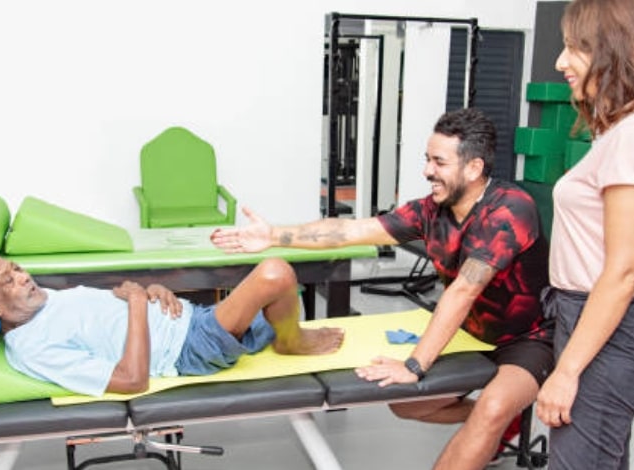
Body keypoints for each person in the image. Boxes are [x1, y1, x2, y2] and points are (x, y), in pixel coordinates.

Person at [211, 108, 553, 469]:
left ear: (473, 168)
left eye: (439, 162)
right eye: (427, 159)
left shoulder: (509, 210)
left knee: (492, 406)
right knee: (408, 403)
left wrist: (416, 365)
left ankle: (497, 416)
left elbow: (462, 291)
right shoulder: (429, 211)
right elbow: (349, 231)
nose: (427, 171)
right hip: (469, 332)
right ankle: (502, 421)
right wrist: (274, 236)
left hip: (527, 338)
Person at [536, 0, 634, 468]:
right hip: (594, 317)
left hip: (613, 325)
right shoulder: (633, 127)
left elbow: (625, 270)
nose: (560, 62)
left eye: (572, 48)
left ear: (611, 49)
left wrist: (566, 372)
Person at [0, 255, 345, 396]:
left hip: (192, 318)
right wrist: (139, 303)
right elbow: (132, 380)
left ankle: (286, 336)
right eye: (7, 280)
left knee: (283, 300)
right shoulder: (32, 346)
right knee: (274, 274)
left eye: (16, 268)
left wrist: (154, 290)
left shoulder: (47, 300)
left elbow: (112, 313)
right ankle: (290, 342)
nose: (22, 277)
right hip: (190, 347)